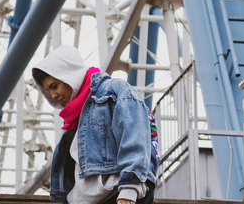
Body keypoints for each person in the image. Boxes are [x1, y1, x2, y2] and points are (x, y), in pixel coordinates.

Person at [32, 45, 158, 204]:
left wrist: (129, 189)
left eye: (54, 86)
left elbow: (135, 136)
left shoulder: (113, 90)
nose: (53, 95)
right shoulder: (72, 120)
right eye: (48, 90)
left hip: (115, 196)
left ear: (69, 74)